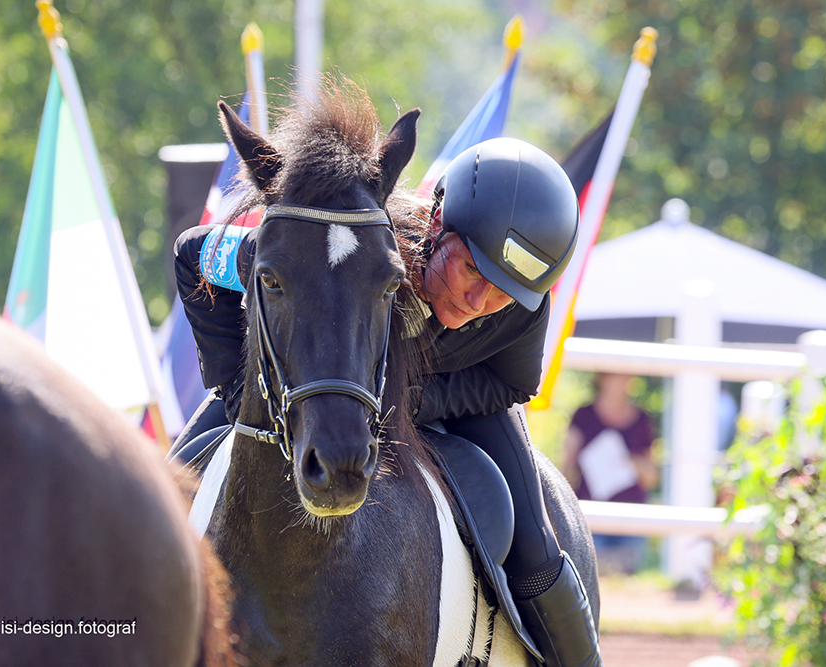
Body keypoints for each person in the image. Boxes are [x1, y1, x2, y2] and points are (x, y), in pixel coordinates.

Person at [172, 137, 601, 667]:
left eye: (501, 292)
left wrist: (409, 396)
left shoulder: (523, 303)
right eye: (471, 269)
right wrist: (238, 385)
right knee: (167, 485)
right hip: (299, 387)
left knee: (535, 546)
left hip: (456, 401)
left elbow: (511, 385)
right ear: (439, 220)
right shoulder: (354, 250)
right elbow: (191, 253)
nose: (478, 302)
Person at [563, 373, 658, 574]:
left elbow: (651, 478)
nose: (623, 381)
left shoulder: (642, 420)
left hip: (631, 517)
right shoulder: (583, 415)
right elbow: (567, 468)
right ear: (602, 379)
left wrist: (630, 461)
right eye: (616, 375)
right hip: (589, 516)